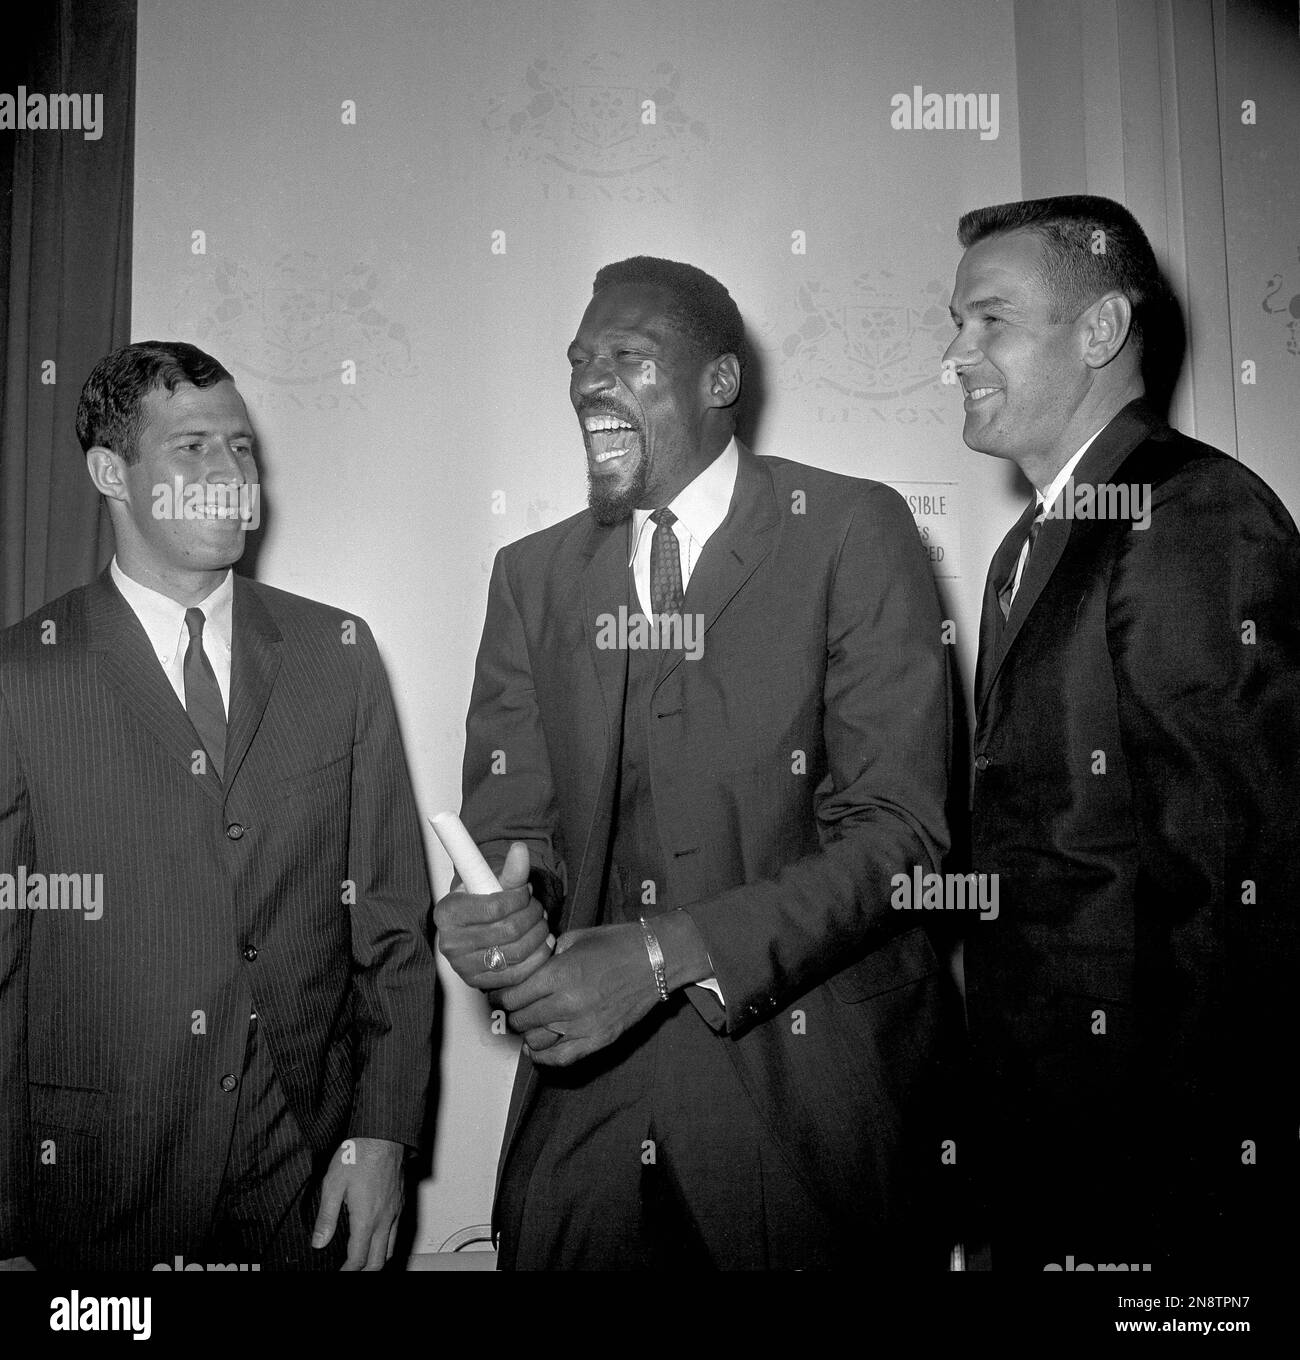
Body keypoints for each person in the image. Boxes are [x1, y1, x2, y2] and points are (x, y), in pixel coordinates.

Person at [436, 256, 961, 1269]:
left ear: (719, 382)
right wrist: (488, 915)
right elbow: (514, 831)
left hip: (815, 1114)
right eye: (581, 360)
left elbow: (902, 839)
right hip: (584, 1128)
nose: (590, 383)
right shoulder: (531, 575)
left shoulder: (851, 528)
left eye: (627, 357)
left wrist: (658, 954)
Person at [0, 341, 436, 1271]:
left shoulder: (339, 655)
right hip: (94, 1194)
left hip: (305, 1184)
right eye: (193, 447)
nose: (230, 475)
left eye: (241, 448)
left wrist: (383, 1138)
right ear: (111, 473)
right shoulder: (20, 676)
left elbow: (393, 931)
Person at [945, 196, 1300, 1271]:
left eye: (987, 320)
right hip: (1047, 1147)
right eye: (953, 324)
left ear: (1098, 332)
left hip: (1149, 1176)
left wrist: (1187, 1210)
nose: (954, 354)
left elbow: (1237, 893)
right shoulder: (1027, 543)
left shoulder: (1191, 514)